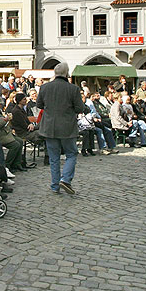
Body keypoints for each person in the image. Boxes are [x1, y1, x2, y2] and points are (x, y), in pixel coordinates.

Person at [36, 62, 86, 195]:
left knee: (54, 158)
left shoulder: (45, 87)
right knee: (71, 154)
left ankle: (54, 185)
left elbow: (39, 104)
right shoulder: (73, 89)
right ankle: (65, 179)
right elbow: (80, 108)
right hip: (67, 127)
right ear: (66, 73)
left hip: (49, 127)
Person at [0, 94, 24, 173]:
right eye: (0, 105)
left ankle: (17, 163)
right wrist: (5, 119)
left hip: (4, 133)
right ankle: (7, 164)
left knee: (19, 141)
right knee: (15, 145)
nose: (1, 106)